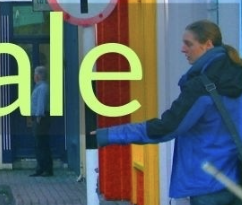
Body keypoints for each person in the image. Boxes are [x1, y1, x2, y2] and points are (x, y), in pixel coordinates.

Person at [96, 20, 242, 205]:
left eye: (188, 44)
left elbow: (166, 128)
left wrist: (109, 134)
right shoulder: (236, 74)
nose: (182, 49)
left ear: (208, 45)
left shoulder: (201, 86)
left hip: (207, 184)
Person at [30, 65, 54, 177]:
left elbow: (41, 103)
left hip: (41, 119)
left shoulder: (42, 88)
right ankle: (41, 167)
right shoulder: (40, 87)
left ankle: (46, 169)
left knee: (41, 144)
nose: (34, 76)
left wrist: (38, 117)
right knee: (39, 144)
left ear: (39, 75)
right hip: (40, 118)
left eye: (35, 74)